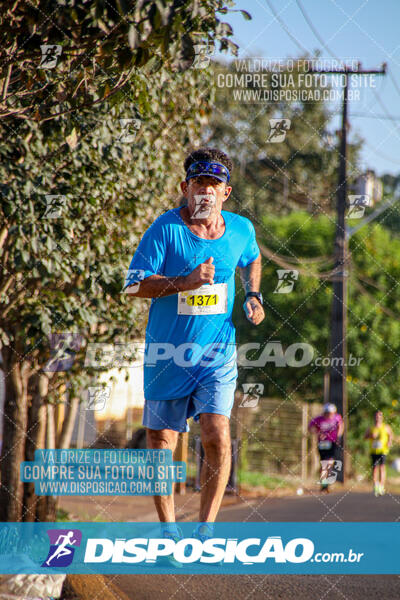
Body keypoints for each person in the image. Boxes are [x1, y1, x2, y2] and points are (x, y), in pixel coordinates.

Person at [124, 147, 264, 561]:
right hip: (167, 350)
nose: (205, 191)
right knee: (160, 439)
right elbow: (134, 285)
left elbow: (252, 258)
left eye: (213, 185)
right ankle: (167, 529)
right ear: (184, 188)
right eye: (198, 183)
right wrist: (182, 282)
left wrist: (253, 294)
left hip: (217, 352)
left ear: (226, 193)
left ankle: (205, 530)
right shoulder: (164, 230)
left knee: (216, 431)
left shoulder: (240, 230)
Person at [308, 403, 344, 493]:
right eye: (327, 412)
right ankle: (324, 484)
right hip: (322, 444)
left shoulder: (337, 418)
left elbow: (341, 426)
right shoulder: (318, 419)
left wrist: (338, 436)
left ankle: (326, 482)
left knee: (329, 462)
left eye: (331, 413)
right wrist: (318, 433)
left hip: (332, 443)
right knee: (324, 463)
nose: (329, 414)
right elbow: (310, 428)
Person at [364, 410, 393, 496]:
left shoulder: (386, 427)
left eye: (379, 416)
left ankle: (381, 485)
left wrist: (389, 442)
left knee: (382, 467)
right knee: (375, 468)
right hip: (374, 450)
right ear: (374, 417)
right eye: (376, 416)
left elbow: (390, 435)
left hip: (383, 450)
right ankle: (376, 485)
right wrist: (370, 436)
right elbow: (365, 437)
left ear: (382, 417)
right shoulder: (371, 427)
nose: (378, 418)